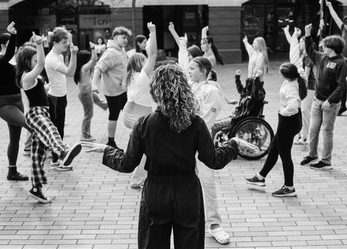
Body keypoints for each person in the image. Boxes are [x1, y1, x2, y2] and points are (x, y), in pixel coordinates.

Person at [82, 63, 255, 249]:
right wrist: (234, 143)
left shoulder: (144, 124)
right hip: (187, 191)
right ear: (184, 89)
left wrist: (106, 150)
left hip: (156, 192)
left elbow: (127, 163)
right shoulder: (195, 122)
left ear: (155, 92)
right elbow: (213, 160)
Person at [16, 33, 82, 203]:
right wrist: (39, 44)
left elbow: (38, 84)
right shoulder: (26, 77)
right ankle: (63, 150)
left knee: (38, 155)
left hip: (41, 112)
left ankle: (36, 188)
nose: (36, 61)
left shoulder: (33, 77)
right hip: (35, 114)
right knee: (52, 130)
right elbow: (41, 63)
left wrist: (44, 88)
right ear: (26, 61)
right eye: (33, 59)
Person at [245, 63, 307, 197]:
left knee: (285, 155)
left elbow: (293, 106)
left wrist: (282, 112)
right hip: (288, 122)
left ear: (286, 75)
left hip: (288, 121)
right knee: (273, 149)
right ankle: (260, 177)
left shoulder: (291, 86)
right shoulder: (293, 80)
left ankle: (289, 187)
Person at [188, 56, 230, 244]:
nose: (189, 71)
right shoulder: (191, 86)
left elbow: (205, 120)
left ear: (203, 71)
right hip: (184, 143)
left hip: (201, 144)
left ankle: (214, 225)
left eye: (192, 68)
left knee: (207, 184)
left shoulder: (212, 91)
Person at [300, 24, 347, 170]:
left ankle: (326, 160)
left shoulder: (341, 63)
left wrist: (329, 100)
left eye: (325, 45)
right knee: (313, 129)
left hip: (330, 104)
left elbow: (341, 86)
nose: (322, 47)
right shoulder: (322, 57)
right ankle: (312, 154)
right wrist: (307, 34)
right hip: (317, 100)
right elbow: (310, 51)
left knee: (327, 131)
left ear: (332, 47)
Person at [123, 22, 157, 189]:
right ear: (138, 64)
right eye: (143, 60)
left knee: (144, 146)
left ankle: (138, 176)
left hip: (132, 115)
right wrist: (153, 32)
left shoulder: (134, 76)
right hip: (136, 117)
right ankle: (137, 179)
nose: (146, 61)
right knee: (146, 147)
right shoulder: (142, 76)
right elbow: (153, 54)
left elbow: (150, 55)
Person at [92, 26, 132, 149]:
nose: (125, 40)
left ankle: (114, 141)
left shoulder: (121, 50)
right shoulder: (111, 53)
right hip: (114, 91)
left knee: (125, 113)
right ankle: (111, 142)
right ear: (115, 38)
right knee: (117, 114)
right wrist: (94, 85)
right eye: (123, 37)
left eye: (126, 38)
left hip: (122, 89)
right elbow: (98, 68)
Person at [0, 22, 30, 181]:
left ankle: (12, 171)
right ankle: (58, 152)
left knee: (15, 139)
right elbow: (8, 53)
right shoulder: (1, 59)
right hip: (4, 104)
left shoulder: (13, 62)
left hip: (17, 101)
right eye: (11, 45)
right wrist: (12, 35)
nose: (15, 48)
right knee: (29, 124)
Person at [45, 26, 78, 170]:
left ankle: (55, 155)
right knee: (57, 130)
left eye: (68, 41)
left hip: (60, 95)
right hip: (54, 98)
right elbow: (70, 73)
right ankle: (55, 160)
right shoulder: (52, 58)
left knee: (58, 129)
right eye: (64, 42)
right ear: (55, 43)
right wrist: (74, 54)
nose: (67, 44)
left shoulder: (58, 55)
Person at [210, 69, 266, 140]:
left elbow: (255, 94)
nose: (246, 87)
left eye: (247, 84)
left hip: (240, 120)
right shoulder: (247, 93)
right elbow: (240, 89)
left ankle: (211, 148)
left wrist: (256, 79)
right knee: (213, 123)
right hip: (238, 118)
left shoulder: (257, 95)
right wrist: (237, 78)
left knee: (214, 126)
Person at [283, 25, 316, 145]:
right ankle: (300, 135)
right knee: (300, 112)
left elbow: (305, 77)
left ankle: (305, 137)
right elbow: (292, 45)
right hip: (302, 87)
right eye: (300, 42)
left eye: (302, 42)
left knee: (305, 112)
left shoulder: (308, 58)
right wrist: (288, 32)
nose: (300, 44)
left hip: (308, 88)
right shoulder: (300, 55)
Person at [74, 43, 99, 142]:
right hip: (85, 92)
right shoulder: (84, 67)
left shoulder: (81, 67)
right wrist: (93, 48)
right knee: (88, 115)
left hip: (84, 91)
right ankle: (85, 135)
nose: (90, 59)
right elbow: (94, 60)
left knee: (88, 114)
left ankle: (86, 134)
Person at [326, 0, 347, 115]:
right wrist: (330, 6)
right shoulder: (343, 28)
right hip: (343, 60)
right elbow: (335, 17)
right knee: (342, 83)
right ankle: (342, 106)